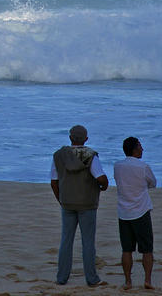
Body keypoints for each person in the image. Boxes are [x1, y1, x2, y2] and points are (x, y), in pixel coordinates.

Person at [50, 124, 109, 286]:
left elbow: (54, 181)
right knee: (88, 242)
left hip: (67, 202)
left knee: (66, 241)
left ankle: (61, 278)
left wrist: (61, 199)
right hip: (87, 203)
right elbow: (101, 177)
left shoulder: (59, 155)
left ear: (70, 138)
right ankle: (91, 278)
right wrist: (104, 187)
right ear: (86, 139)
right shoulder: (91, 155)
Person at [113, 137, 156, 290]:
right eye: (140, 146)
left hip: (124, 211)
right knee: (147, 249)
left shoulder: (117, 166)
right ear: (134, 149)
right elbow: (153, 183)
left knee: (126, 249)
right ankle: (148, 280)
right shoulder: (143, 166)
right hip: (141, 210)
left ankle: (128, 281)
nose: (142, 149)